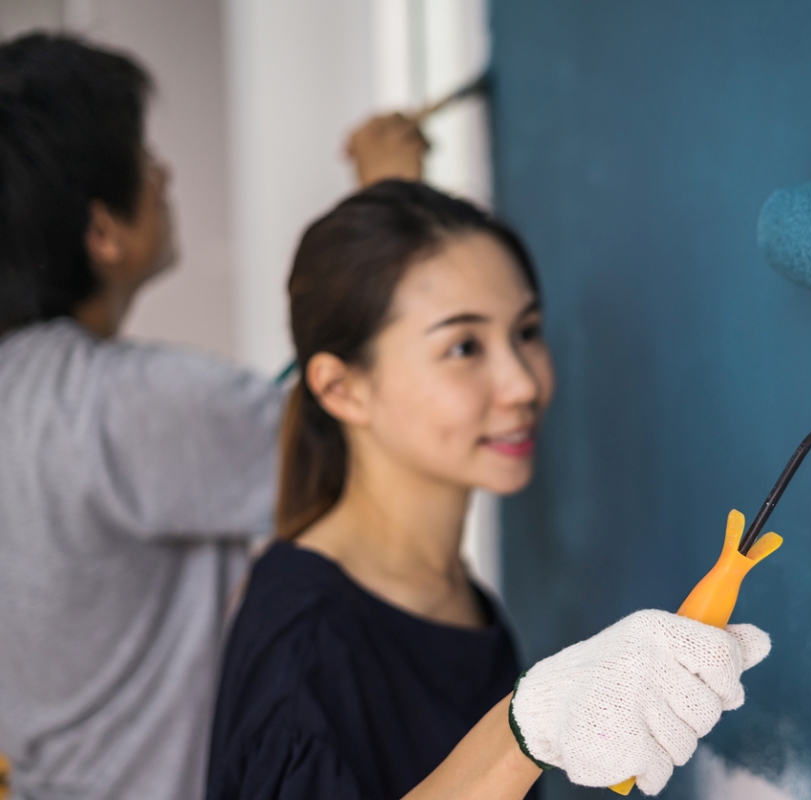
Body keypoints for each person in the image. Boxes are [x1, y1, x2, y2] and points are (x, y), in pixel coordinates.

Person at [205, 180, 772, 799]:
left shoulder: (463, 604)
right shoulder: (302, 640)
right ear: (342, 389)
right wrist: (521, 733)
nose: (522, 384)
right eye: (464, 346)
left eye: (526, 331)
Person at [0, 33, 426, 800]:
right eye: (144, 156)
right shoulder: (121, 404)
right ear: (104, 233)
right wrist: (390, 204)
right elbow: (348, 428)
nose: (163, 175)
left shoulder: (29, 394)